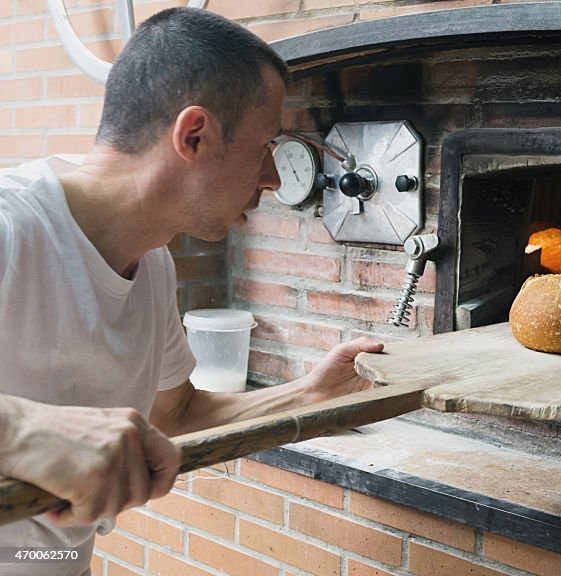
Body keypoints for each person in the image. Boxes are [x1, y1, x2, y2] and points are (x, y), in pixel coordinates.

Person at [0, 7, 383, 575]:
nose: (276, 178)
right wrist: (23, 431)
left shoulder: (153, 259)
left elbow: (175, 415)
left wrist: (310, 394)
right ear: (195, 135)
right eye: (265, 146)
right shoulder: (11, 226)